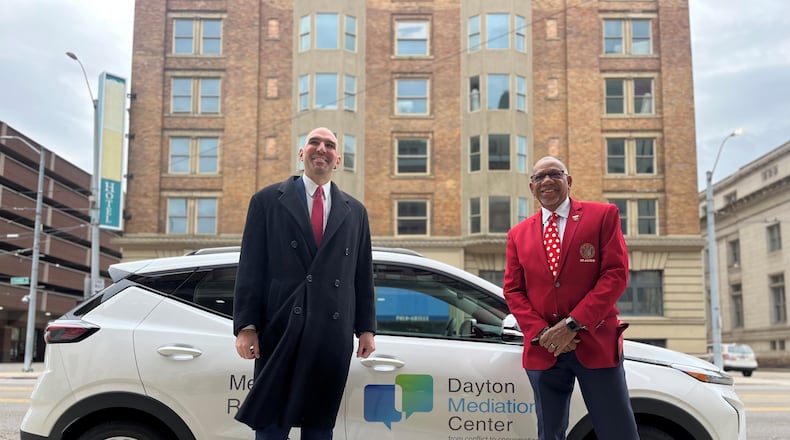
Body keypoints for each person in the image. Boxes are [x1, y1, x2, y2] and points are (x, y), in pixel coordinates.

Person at [233, 127, 376, 440]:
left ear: (338, 160)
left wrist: (366, 328)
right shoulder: (267, 201)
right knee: (271, 426)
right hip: (280, 328)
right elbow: (251, 268)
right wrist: (246, 326)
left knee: (319, 427)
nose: (321, 148)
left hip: (331, 334)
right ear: (301, 154)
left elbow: (362, 274)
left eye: (330, 145)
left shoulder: (355, 212)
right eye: (314, 142)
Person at [503, 156, 639, 440]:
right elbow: (513, 291)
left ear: (569, 180)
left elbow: (615, 275)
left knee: (617, 431)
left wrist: (571, 325)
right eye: (539, 177)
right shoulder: (517, 235)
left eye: (555, 174)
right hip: (545, 349)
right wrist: (543, 333)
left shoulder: (602, 216)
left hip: (595, 341)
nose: (547, 181)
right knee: (549, 434)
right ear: (531, 187)